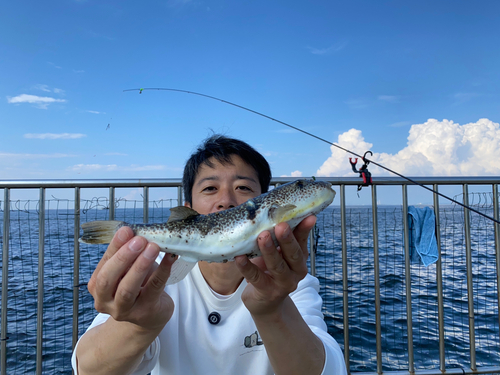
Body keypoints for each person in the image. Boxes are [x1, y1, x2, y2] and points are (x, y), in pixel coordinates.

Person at [72, 134, 347, 375]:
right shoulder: (153, 279)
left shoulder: (293, 285)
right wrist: (137, 325)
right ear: (187, 208)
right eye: (210, 188)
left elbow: (330, 369)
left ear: (264, 197)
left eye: (243, 188)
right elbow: (86, 369)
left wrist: (273, 308)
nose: (226, 199)